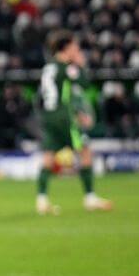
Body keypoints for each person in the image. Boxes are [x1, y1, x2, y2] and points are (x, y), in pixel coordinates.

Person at [35, 30, 113, 215]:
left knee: (48, 157)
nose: (77, 50)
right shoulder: (66, 67)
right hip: (64, 117)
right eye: (75, 47)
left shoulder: (48, 67)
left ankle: (42, 200)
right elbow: (85, 83)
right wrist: (80, 64)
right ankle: (90, 198)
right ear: (67, 48)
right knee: (85, 151)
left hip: (48, 115)